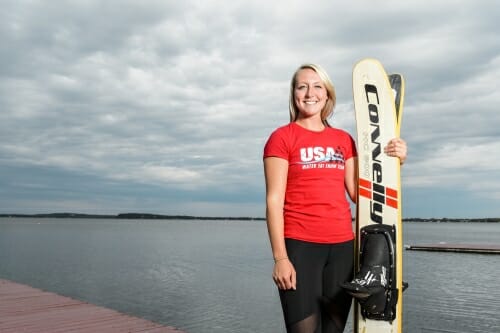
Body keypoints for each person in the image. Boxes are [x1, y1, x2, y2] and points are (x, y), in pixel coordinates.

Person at [263, 63, 407, 333]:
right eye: (302, 86)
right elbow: (273, 201)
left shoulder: (343, 140)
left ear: (327, 94)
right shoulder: (281, 138)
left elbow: (359, 192)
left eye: (318, 86)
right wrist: (280, 258)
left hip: (342, 248)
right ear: (294, 93)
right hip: (300, 247)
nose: (310, 92)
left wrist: (395, 159)